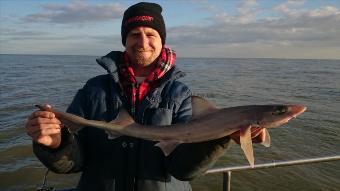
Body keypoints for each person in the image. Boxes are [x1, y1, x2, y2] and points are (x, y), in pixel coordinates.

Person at [25, 2, 265, 191]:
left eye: (151, 34)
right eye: (134, 34)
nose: (143, 42)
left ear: (162, 40)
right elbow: (74, 163)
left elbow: (182, 170)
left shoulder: (181, 95)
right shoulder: (94, 89)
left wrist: (220, 135)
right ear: (124, 41)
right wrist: (55, 143)